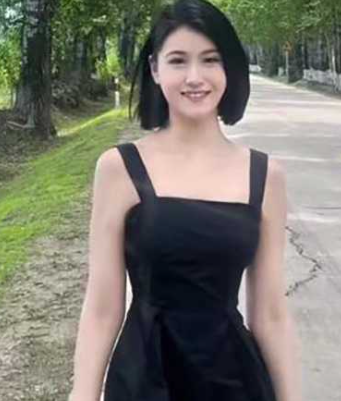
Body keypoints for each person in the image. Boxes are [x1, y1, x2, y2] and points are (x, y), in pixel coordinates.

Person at [68, 0, 303, 400]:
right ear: (155, 69)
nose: (195, 77)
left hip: (234, 382)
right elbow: (103, 307)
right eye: (178, 61)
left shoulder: (265, 176)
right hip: (144, 379)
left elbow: (270, 314)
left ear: (229, 68)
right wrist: (82, 394)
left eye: (210, 60)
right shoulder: (119, 169)